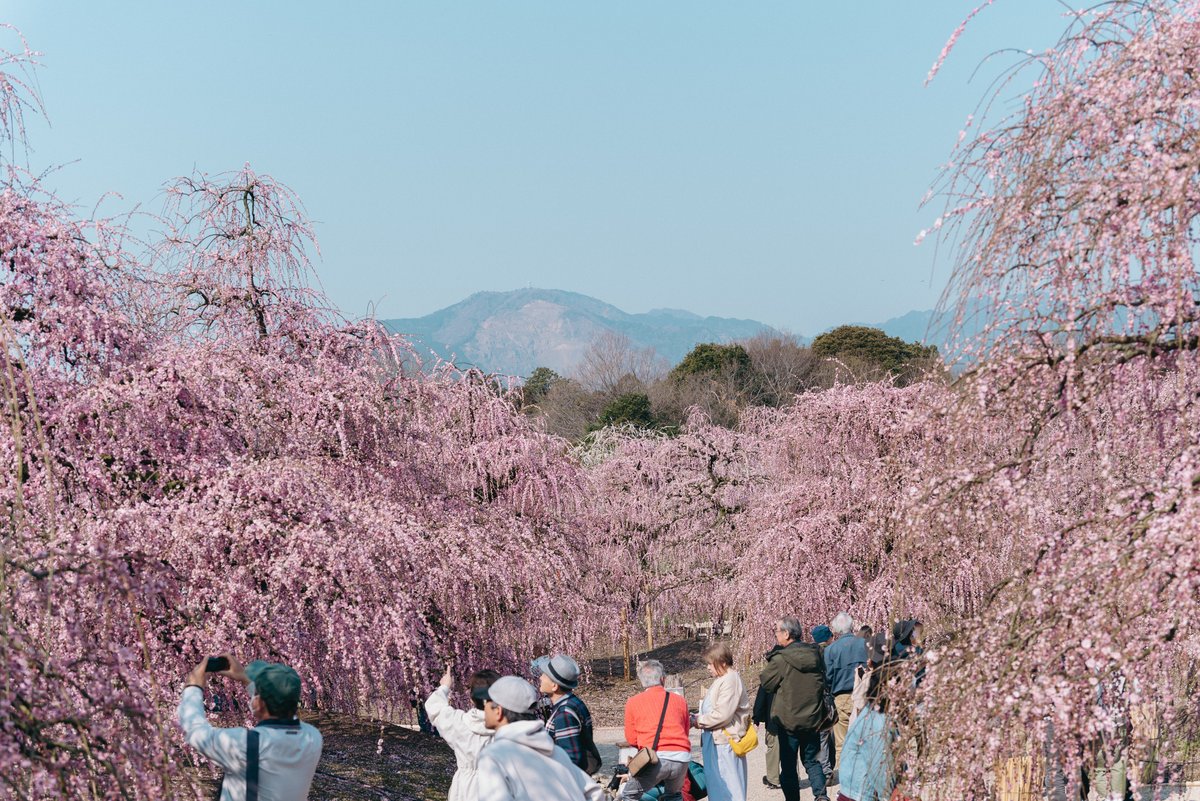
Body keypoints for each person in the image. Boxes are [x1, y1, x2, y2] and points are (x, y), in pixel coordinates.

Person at [177, 654, 323, 801]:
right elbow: (275, 700)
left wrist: (193, 687)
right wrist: (244, 678)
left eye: (257, 694)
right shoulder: (313, 737)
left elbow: (195, 730)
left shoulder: (244, 745)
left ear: (258, 703)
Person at [476, 675, 604, 801]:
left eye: (486, 702)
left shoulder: (494, 755)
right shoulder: (556, 753)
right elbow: (594, 793)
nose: (484, 708)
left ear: (498, 711)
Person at [759, 617, 830, 801]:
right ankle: (821, 797)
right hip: (813, 719)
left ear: (787, 634)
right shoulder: (816, 653)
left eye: (777, 631)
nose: (775, 634)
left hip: (789, 722)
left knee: (789, 767)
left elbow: (766, 682)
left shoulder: (781, 659)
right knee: (812, 762)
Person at [425, 666, 501, 801]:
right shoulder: (507, 727)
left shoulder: (459, 722)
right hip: (496, 787)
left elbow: (434, 707)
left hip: (464, 788)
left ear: (472, 698)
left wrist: (444, 686)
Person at [621, 659, 692, 801]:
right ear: (663, 679)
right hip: (682, 757)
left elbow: (631, 739)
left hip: (656, 759)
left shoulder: (633, 702)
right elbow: (685, 730)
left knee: (629, 795)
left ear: (642, 682)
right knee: (674, 795)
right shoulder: (680, 700)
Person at [692, 643, 752, 801]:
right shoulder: (722, 679)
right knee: (718, 786)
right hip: (716, 740)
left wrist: (699, 721)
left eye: (710, 663)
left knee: (728, 787)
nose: (708, 667)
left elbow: (722, 714)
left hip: (725, 741)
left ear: (722, 662)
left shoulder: (730, 679)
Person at [838, 667, 897, 801]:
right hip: (862, 793)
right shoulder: (878, 721)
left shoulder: (873, 712)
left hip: (856, 790)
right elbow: (880, 767)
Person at [535, 654, 599, 773]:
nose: (540, 678)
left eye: (544, 675)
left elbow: (571, 758)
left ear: (554, 686)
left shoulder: (564, 713)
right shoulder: (574, 702)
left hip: (568, 783)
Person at [823, 612, 868, 768]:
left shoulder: (830, 650)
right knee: (863, 739)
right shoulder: (864, 644)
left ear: (836, 629)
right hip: (863, 695)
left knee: (842, 743)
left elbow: (827, 677)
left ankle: (846, 783)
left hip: (841, 697)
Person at [753, 623, 794, 789]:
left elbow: (761, 696)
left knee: (773, 748)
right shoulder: (791, 669)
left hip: (773, 716)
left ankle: (773, 778)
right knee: (790, 750)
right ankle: (791, 777)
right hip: (790, 715)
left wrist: (756, 717)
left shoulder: (770, 671)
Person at [811, 624, 835, 781]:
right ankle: (826, 770)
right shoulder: (828, 652)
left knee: (820, 736)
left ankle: (820, 768)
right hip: (826, 697)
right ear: (829, 638)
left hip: (812, 699)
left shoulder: (810, 653)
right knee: (825, 735)